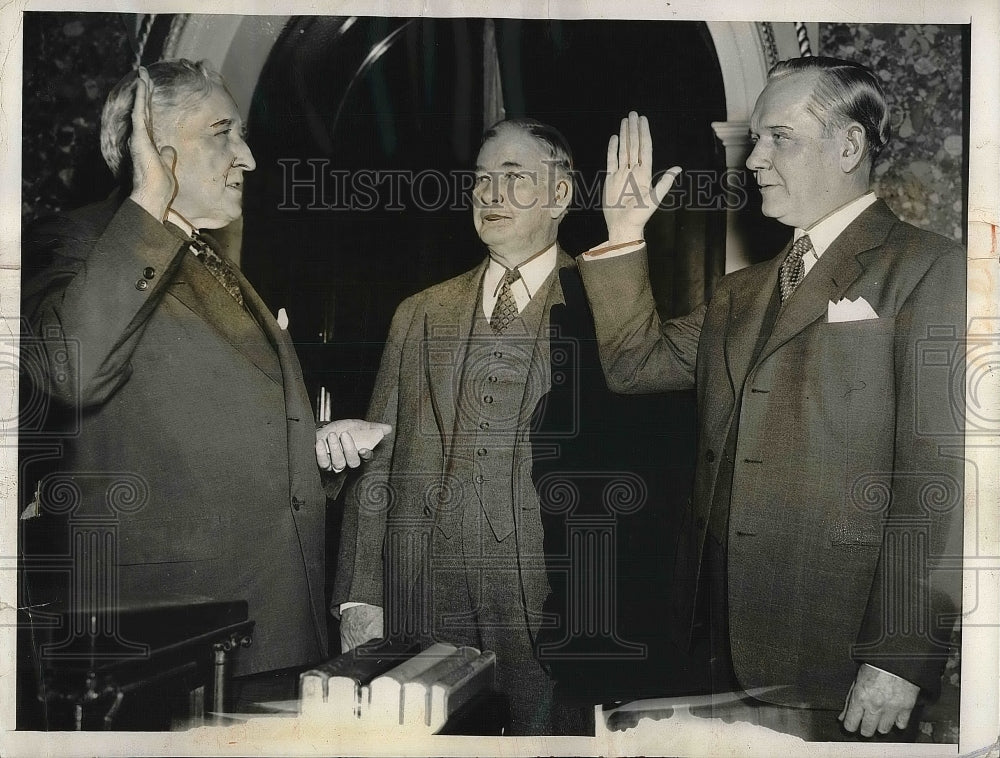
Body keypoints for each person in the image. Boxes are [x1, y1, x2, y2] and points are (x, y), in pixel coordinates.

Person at [578, 58, 965, 740]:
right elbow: (633, 366)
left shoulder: (931, 267)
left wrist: (902, 654)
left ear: (848, 146)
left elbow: (942, 476)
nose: (752, 158)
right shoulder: (743, 290)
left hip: (838, 664)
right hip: (713, 650)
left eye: (778, 137)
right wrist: (624, 234)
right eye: (754, 138)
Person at [19, 59, 389, 710]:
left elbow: (205, 432)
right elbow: (68, 372)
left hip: (270, 628)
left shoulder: (211, 260)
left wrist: (316, 450)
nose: (246, 157)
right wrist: (145, 204)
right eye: (223, 133)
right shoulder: (77, 242)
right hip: (171, 650)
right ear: (154, 146)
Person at [332, 118, 687, 735]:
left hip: (558, 612)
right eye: (481, 179)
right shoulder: (419, 314)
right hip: (423, 604)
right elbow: (378, 465)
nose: (490, 194)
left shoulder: (607, 309)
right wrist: (362, 598)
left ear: (560, 197)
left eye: (513, 177)